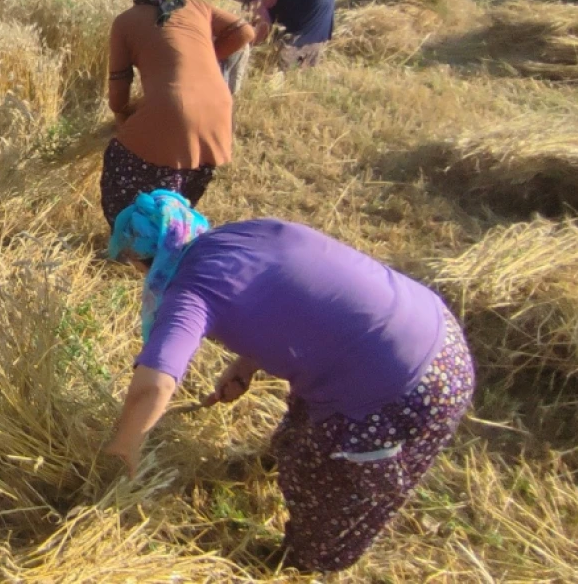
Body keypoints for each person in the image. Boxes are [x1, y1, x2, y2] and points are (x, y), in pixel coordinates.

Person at [101, 191, 474, 573]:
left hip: (401, 387)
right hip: (435, 330)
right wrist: (246, 364)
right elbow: (292, 293)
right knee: (300, 439)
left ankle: (304, 567)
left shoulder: (191, 291)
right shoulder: (250, 232)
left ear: (147, 262)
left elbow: (156, 383)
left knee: (328, 489)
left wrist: (123, 449)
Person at [101, 0, 254, 227]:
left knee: (122, 171)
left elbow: (119, 87)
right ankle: (175, 239)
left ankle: (134, 246)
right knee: (180, 196)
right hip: (219, 109)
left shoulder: (127, 20)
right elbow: (245, 32)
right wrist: (207, 58)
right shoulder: (198, 7)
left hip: (173, 110)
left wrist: (122, 116)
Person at [220, 0, 335, 70]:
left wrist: (247, 47)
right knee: (313, 33)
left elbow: (264, 27)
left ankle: (293, 70)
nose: (235, 0)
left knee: (288, 54)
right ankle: (308, 67)